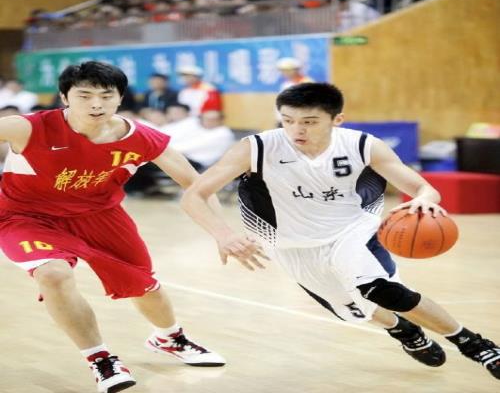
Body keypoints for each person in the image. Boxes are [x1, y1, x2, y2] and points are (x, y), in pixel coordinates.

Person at [181, 82, 500, 380]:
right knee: (356, 312)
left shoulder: (362, 145)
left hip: (352, 233)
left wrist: (424, 201)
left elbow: (423, 188)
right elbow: (194, 195)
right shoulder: (257, 148)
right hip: (293, 247)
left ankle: (474, 345)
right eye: (288, 120)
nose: (297, 130)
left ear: (337, 120)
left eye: (309, 122)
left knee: (382, 290)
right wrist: (224, 235)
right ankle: (403, 330)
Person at [0, 61, 225, 393]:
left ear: (120, 98)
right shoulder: (27, 127)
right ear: (64, 97)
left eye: (106, 96)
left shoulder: (139, 136)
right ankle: (100, 359)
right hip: (27, 217)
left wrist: (223, 232)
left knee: (144, 287)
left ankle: (169, 338)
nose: (96, 104)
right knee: (53, 274)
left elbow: (196, 184)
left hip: (101, 215)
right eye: (84, 95)